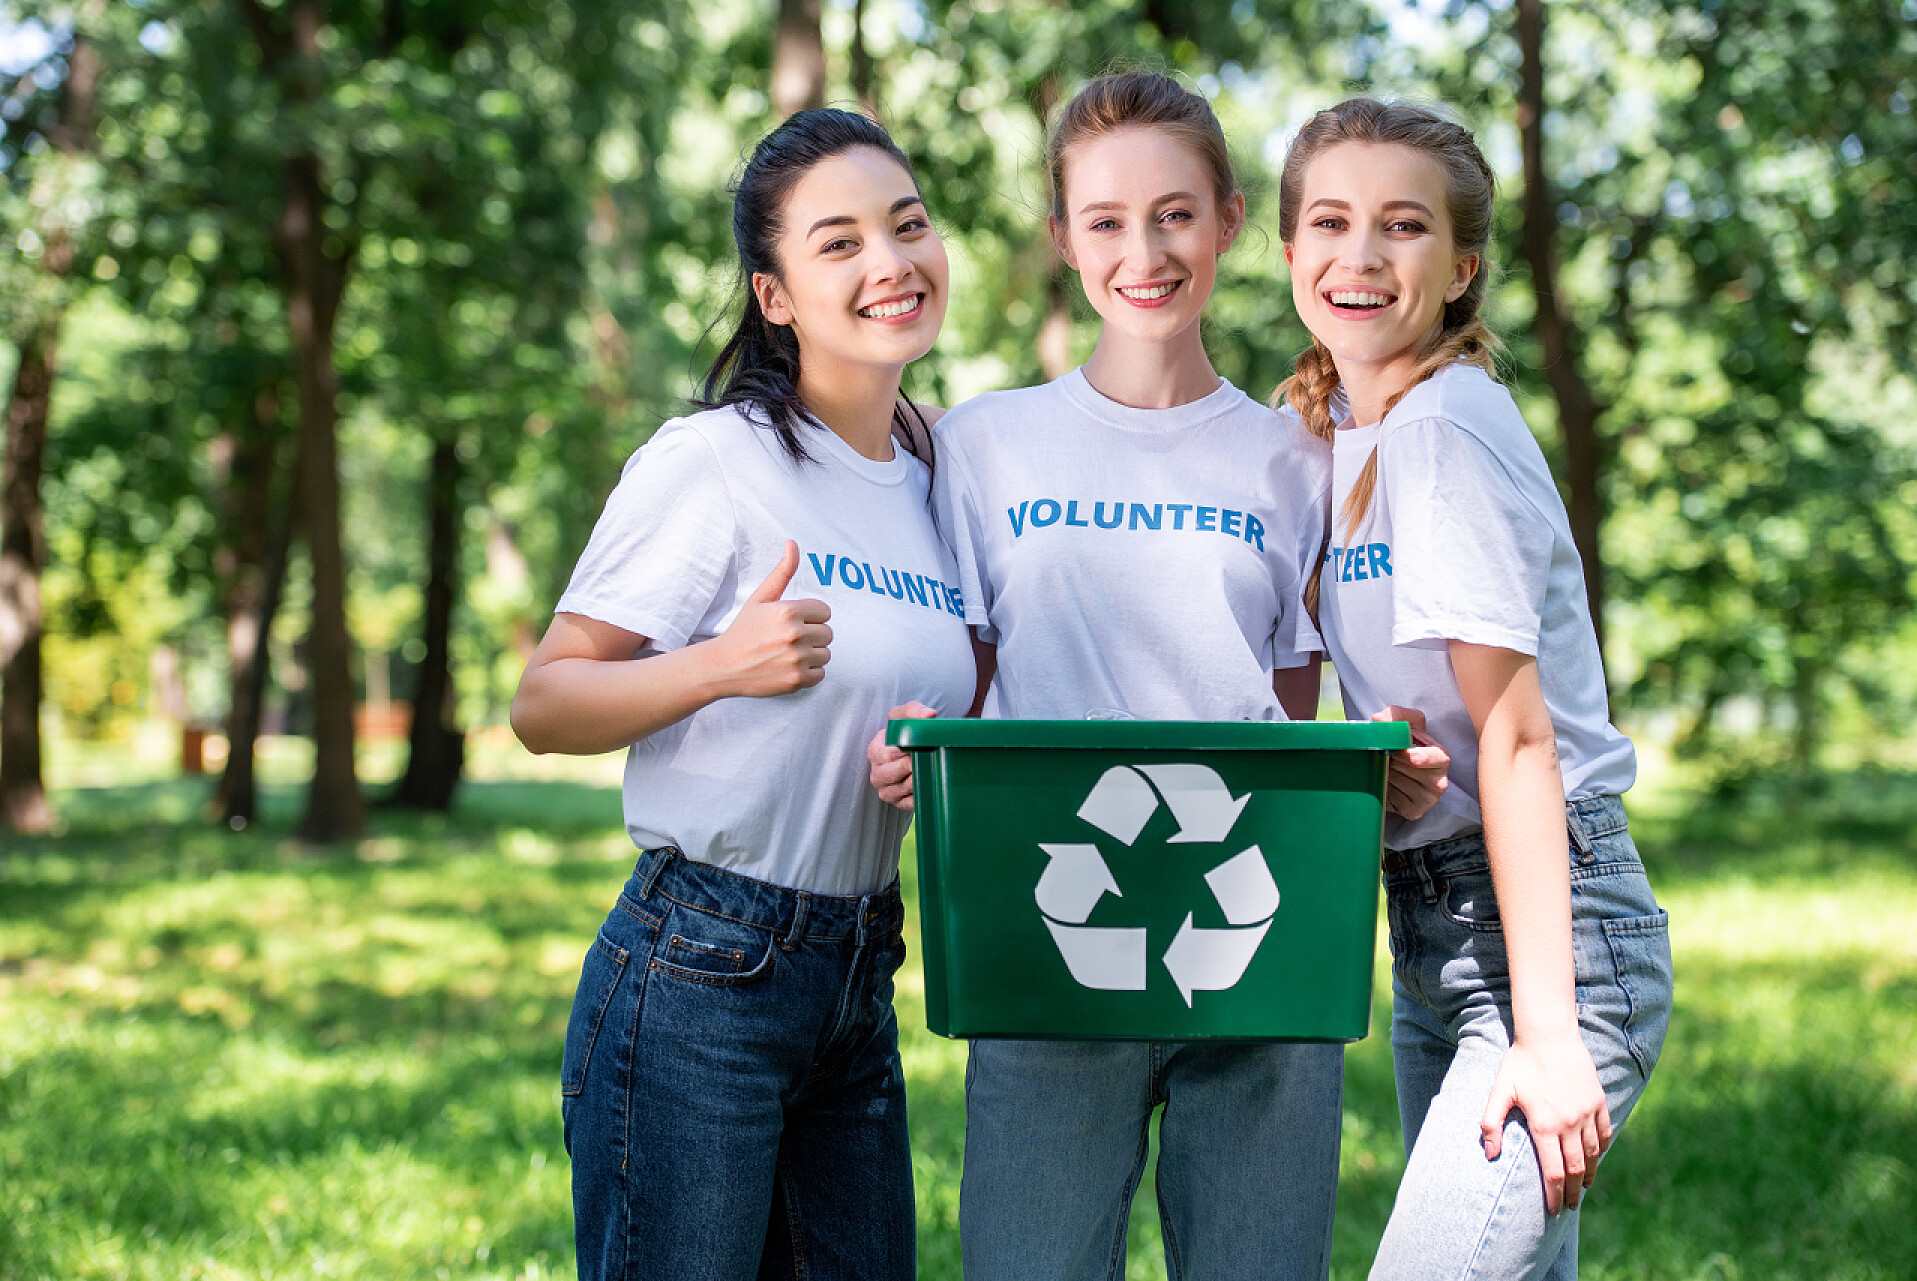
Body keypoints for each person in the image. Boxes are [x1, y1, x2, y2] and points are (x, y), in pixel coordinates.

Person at [870, 71, 1443, 1281]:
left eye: (1176, 213)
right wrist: (916, 748)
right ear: (1062, 238)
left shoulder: (1303, 449)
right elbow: (963, 683)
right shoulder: (982, 444)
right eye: (1108, 220)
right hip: (1043, 943)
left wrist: (1379, 761)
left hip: (1255, 945)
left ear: (1232, 221)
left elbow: (1293, 714)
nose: (1147, 250)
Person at [511, 108, 977, 1281]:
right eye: (839, 243)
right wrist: (724, 662)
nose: (890, 262)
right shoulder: (715, 460)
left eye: (907, 225)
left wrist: (928, 746)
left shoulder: (934, 474)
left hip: (859, 972)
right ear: (774, 296)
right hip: (702, 973)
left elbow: (932, 687)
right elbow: (547, 703)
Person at [1273, 96, 1674, 1278]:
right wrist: (1381, 755)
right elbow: (1437, 705)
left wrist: (1550, 1035)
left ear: (1461, 270)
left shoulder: (1442, 426)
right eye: (1332, 223)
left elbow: (1519, 741)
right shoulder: (1343, 430)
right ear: (1290, 252)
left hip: (1550, 938)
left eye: (1403, 227)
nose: (1361, 255)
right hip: (1436, 922)